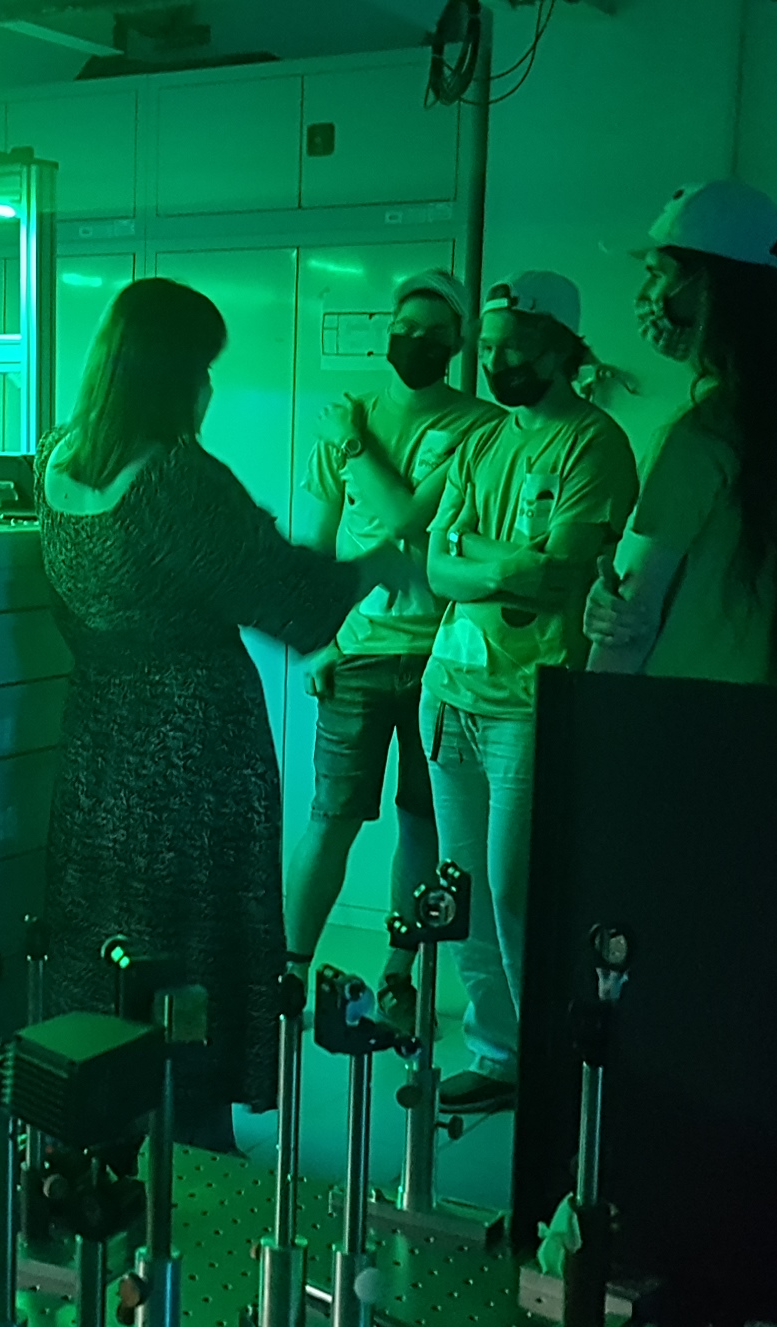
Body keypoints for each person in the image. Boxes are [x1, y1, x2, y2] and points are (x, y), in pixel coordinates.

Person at [36, 277, 420, 1152]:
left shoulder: (53, 463)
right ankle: (192, 1134)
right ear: (174, 375)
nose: (209, 387)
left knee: (106, 931)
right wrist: (377, 565)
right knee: (194, 941)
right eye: (204, 369)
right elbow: (292, 599)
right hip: (193, 750)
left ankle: (104, 1121)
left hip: (99, 743)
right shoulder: (176, 480)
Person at [421, 272, 639, 1112]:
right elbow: (437, 566)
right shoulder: (483, 439)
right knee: (462, 886)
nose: (496, 360)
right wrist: (500, 564)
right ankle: (497, 1051)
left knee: (518, 889)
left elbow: (557, 577)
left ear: (560, 348)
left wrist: (481, 555)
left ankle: (552, 1060)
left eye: (513, 346)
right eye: (488, 345)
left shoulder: (594, 444)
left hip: (530, 700)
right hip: (451, 689)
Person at [285, 268, 501, 1025]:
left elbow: (411, 519)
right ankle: (289, 971)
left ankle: (400, 972)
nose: (415, 342)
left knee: (424, 822)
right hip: (356, 655)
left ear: (459, 341)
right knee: (331, 817)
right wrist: (317, 642)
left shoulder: (480, 429)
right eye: (404, 329)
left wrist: (352, 444)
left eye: (432, 333)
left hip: (445, 658)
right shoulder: (348, 417)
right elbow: (316, 547)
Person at [585, 180, 777, 688]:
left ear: (705, 286)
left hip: (675, 710)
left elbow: (631, 618)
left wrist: (587, 717)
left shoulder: (699, 434)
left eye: (657, 274)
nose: (645, 297)